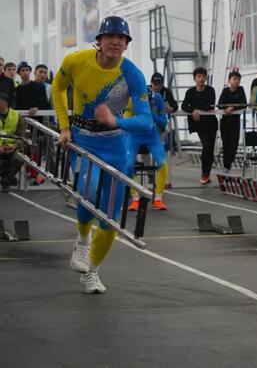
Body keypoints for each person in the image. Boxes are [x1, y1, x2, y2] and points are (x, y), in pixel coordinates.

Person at [53, 15, 152, 294]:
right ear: (99, 41)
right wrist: (64, 126)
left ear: (126, 44)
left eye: (121, 38)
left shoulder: (132, 74)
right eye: (110, 37)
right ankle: (82, 241)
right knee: (89, 188)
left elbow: (145, 120)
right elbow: (57, 88)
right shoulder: (76, 61)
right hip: (84, 140)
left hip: (116, 147)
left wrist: (116, 121)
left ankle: (92, 272)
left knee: (110, 216)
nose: (115, 42)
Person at [127, 87, 169, 211]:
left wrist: (153, 116)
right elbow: (126, 121)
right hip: (134, 136)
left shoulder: (158, 99)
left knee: (163, 164)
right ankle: (135, 199)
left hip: (152, 135)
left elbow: (164, 121)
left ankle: (158, 199)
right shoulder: (131, 100)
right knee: (128, 165)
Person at [181, 67, 218, 184]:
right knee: (206, 145)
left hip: (211, 123)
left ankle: (206, 174)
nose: (201, 79)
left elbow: (210, 105)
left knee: (210, 149)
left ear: (206, 77)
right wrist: (194, 110)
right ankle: (204, 173)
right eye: (199, 76)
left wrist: (197, 109)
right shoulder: (190, 92)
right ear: (194, 79)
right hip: (199, 124)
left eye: (203, 76)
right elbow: (184, 106)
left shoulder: (210, 90)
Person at [14, 61, 48, 185]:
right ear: (19, 73)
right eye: (22, 70)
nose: (25, 72)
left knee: (36, 148)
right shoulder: (17, 90)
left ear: (30, 71)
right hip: (22, 123)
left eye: (27, 70)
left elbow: (44, 104)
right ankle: (29, 173)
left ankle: (36, 173)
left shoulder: (39, 87)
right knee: (25, 148)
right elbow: (15, 107)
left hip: (36, 123)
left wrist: (37, 108)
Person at [218, 71, 247, 173]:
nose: (237, 81)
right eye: (234, 79)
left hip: (235, 122)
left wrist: (233, 107)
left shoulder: (241, 90)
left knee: (234, 145)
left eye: (238, 79)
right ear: (229, 80)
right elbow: (220, 105)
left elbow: (244, 104)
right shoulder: (225, 91)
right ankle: (226, 167)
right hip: (225, 121)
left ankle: (228, 164)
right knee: (226, 144)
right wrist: (227, 108)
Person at [0, 92, 25, 191]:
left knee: (20, 158)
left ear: (5, 103)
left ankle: (6, 180)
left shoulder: (16, 116)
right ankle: (8, 178)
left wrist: (15, 146)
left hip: (12, 147)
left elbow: (22, 135)